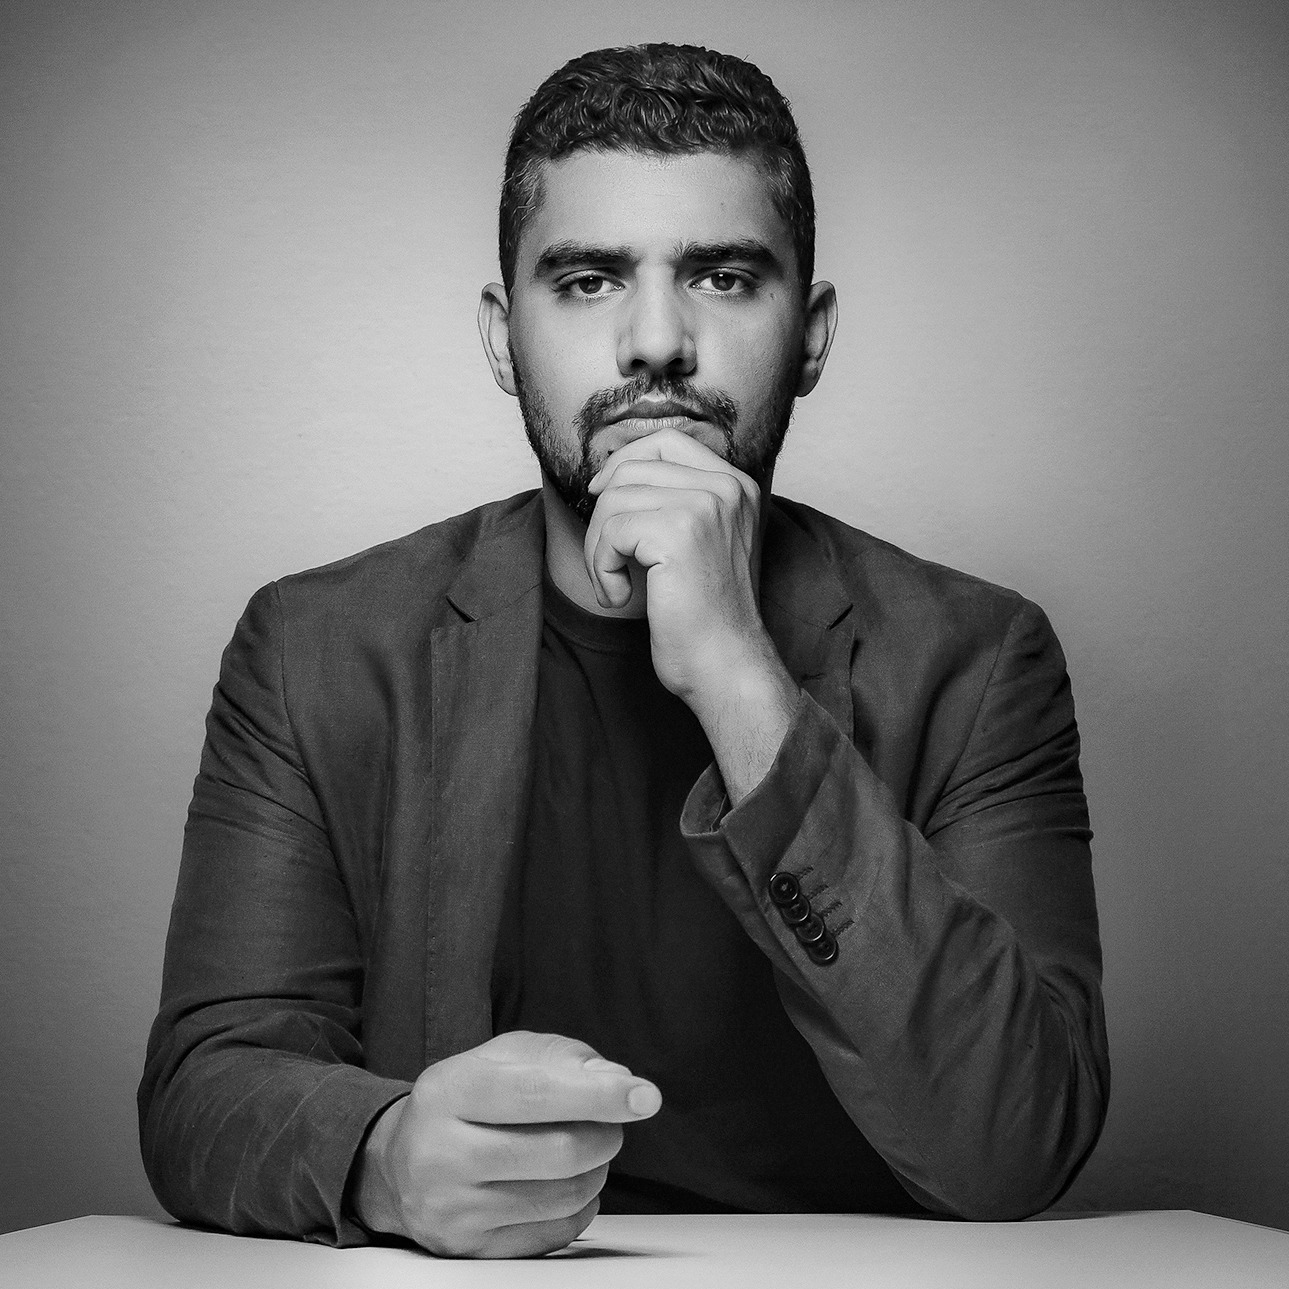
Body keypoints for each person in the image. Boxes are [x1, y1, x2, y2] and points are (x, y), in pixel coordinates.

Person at [138, 43, 1109, 1259]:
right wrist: (385, 1158)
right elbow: (205, 1086)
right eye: (589, 279)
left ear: (810, 335)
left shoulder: (977, 659)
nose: (656, 341)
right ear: (504, 337)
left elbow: (1016, 1138)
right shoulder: (314, 647)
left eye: (723, 276)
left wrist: (739, 676)